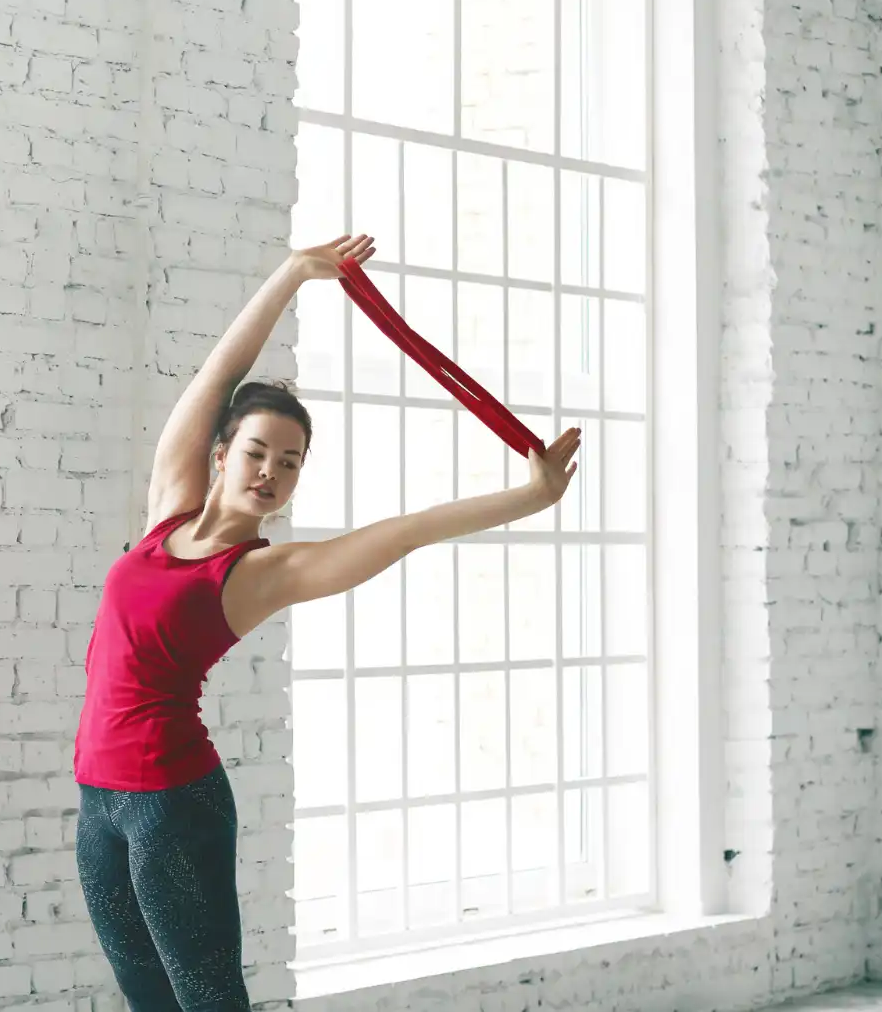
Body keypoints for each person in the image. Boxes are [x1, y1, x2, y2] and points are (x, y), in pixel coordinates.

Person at [72, 234, 584, 1011]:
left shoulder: (261, 572)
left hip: (172, 801)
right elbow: (220, 377)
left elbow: (406, 530)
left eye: (291, 461)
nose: (270, 473)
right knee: (143, 995)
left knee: (208, 999)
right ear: (221, 454)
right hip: (98, 800)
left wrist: (530, 497)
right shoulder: (167, 510)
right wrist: (290, 276)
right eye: (257, 452)